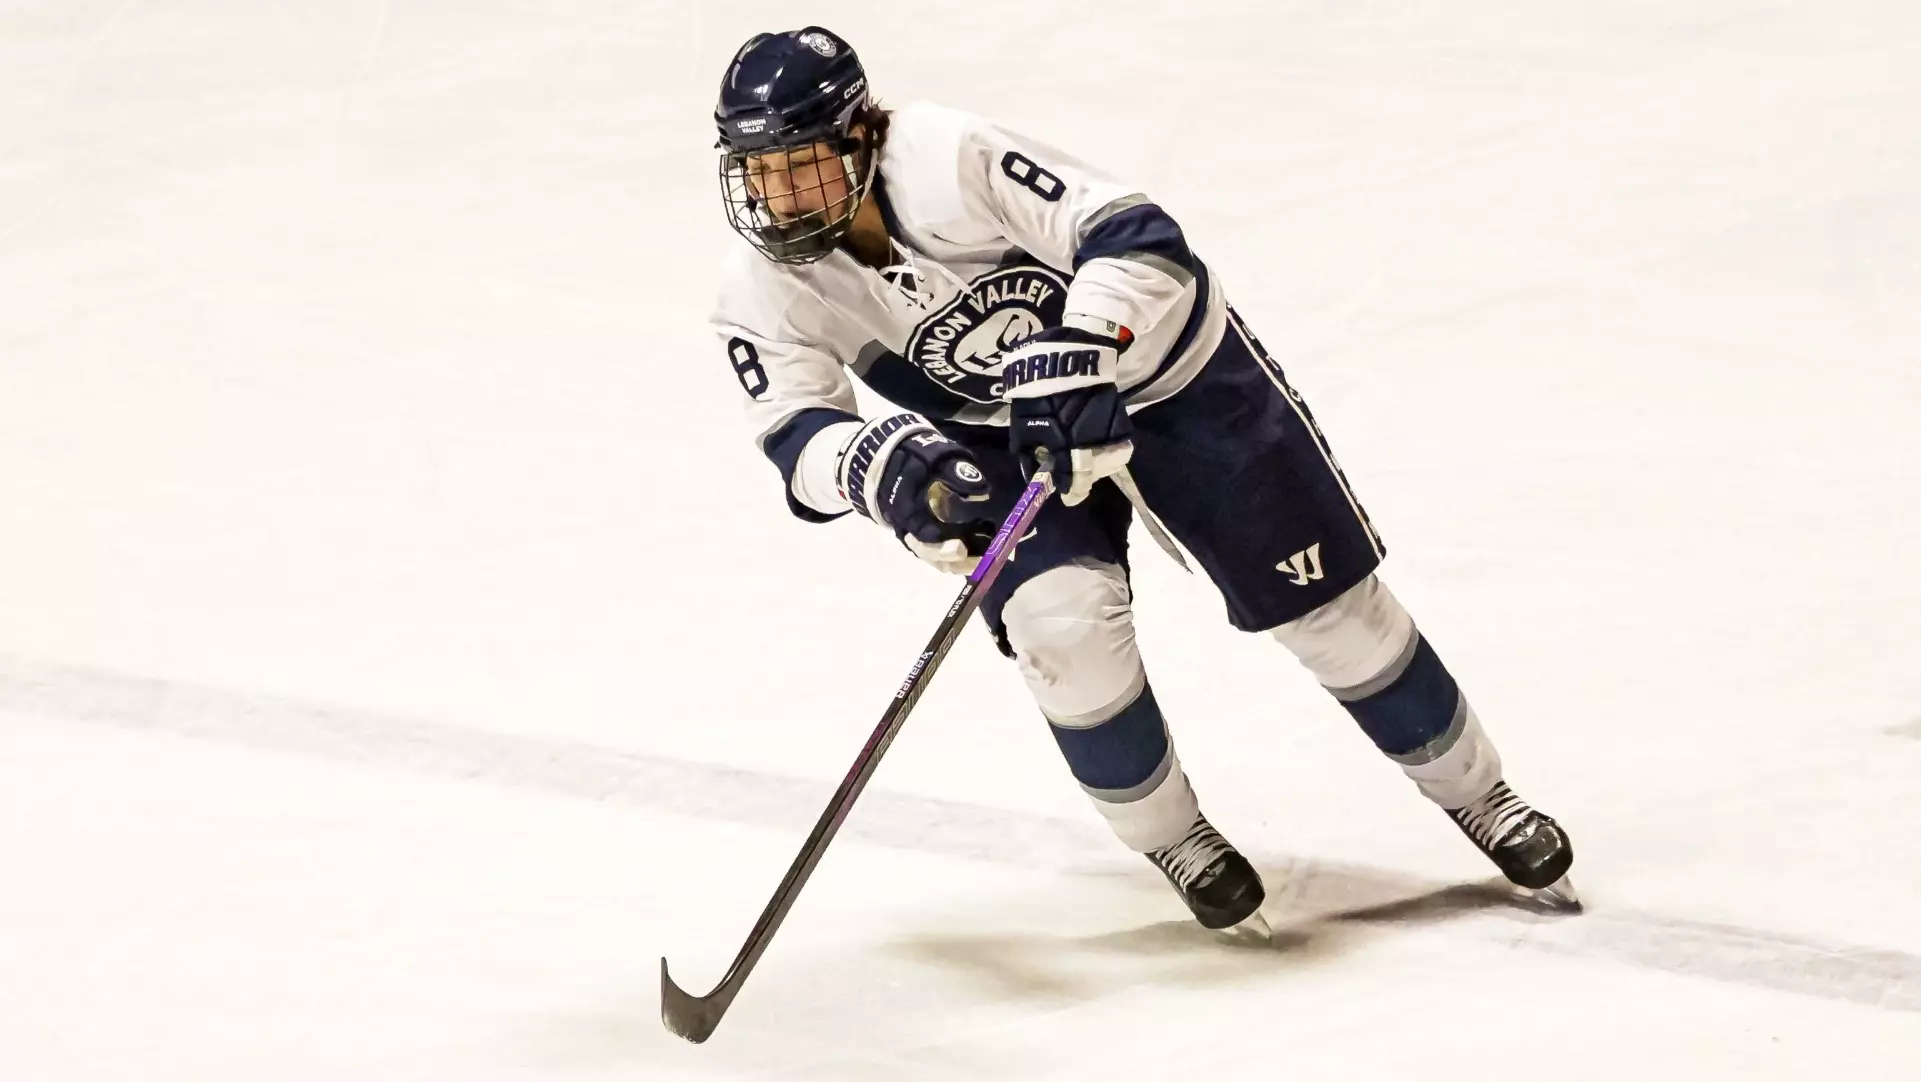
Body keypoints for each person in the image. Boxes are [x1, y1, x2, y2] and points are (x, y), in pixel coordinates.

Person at [707, 26, 1577, 932]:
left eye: (797, 165)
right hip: (1002, 440)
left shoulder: (947, 155)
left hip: (1174, 377)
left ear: (860, 136)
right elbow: (791, 430)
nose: (775, 196)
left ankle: (1480, 796)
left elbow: (1135, 233)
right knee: (1060, 635)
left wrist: (1084, 346)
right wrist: (878, 467)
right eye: (753, 171)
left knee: (1329, 613)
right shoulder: (759, 286)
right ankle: (1177, 840)